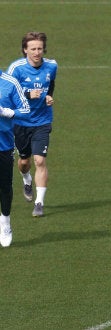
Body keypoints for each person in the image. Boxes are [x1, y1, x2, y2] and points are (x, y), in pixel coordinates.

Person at [7, 31, 58, 217]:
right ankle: (26, 179)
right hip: (21, 121)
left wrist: (49, 95)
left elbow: (50, 83)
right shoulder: (16, 69)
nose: (37, 52)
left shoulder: (52, 65)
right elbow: (6, 94)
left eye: (39, 48)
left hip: (42, 121)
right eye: (33, 49)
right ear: (25, 50)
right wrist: (28, 95)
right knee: (24, 162)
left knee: (40, 160)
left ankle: (39, 203)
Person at [0, 71, 31, 247]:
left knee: (4, 186)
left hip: (3, 145)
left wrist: (6, 112)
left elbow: (25, 110)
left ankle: (5, 222)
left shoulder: (10, 83)